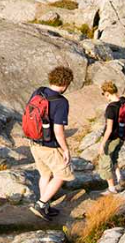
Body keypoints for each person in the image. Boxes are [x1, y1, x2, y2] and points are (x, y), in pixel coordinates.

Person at [28, 66, 75, 220]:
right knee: (62, 174)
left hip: (34, 143)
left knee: (45, 174)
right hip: (49, 147)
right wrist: (66, 149)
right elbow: (59, 130)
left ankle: (45, 206)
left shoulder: (38, 92)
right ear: (66, 83)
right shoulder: (61, 102)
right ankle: (41, 204)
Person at [99, 81, 125, 193]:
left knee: (105, 161)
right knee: (114, 157)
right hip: (121, 136)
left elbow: (109, 129)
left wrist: (102, 144)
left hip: (111, 138)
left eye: (105, 95)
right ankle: (120, 178)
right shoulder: (123, 101)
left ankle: (111, 188)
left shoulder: (111, 108)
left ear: (107, 93)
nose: (105, 97)